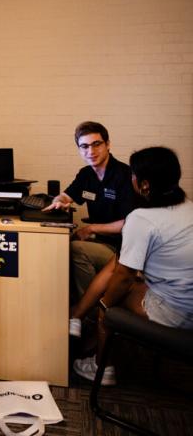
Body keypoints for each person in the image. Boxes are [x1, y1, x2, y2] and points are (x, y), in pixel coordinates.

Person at [73, 146, 193, 386]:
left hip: (177, 314)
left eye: (134, 175)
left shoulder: (142, 218)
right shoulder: (188, 206)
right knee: (116, 262)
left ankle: (101, 366)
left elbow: (125, 277)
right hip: (188, 302)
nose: (131, 179)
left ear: (145, 185)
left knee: (111, 299)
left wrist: (104, 305)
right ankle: (75, 318)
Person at [43, 121, 136, 337]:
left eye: (97, 144)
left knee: (76, 249)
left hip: (122, 250)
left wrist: (91, 228)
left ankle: (88, 316)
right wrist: (59, 200)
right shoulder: (86, 174)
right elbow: (68, 195)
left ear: (108, 145)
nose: (91, 151)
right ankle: (80, 313)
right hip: (101, 242)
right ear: (79, 149)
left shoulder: (124, 175)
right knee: (64, 245)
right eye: (84, 146)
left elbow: (130, 223)